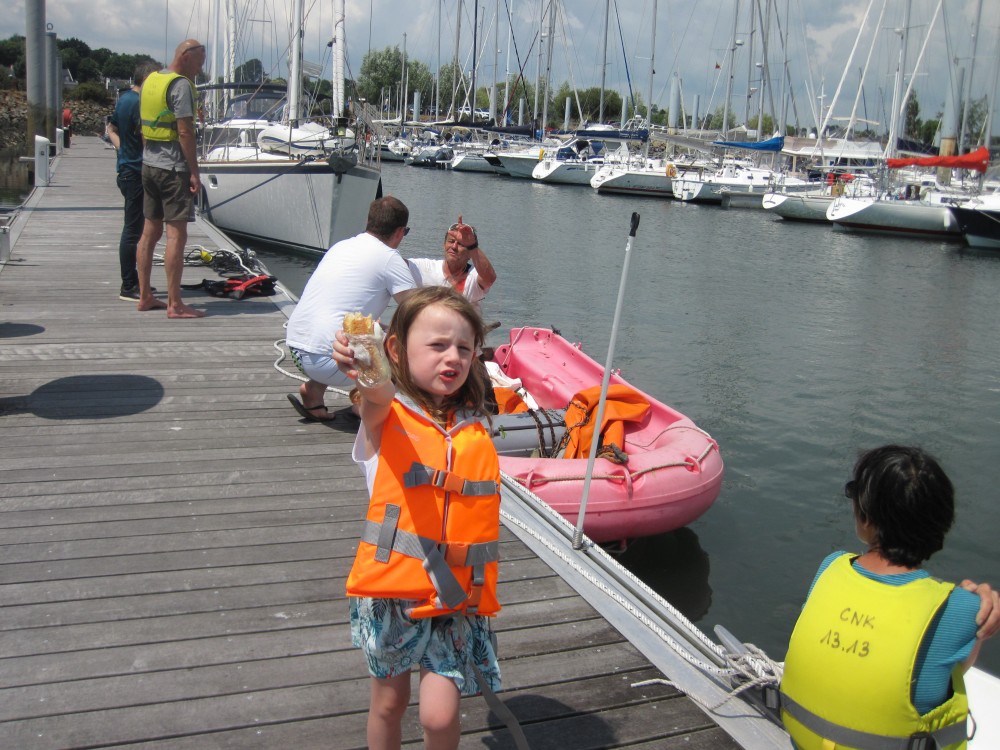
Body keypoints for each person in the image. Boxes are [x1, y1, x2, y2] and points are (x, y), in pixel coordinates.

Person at [332, 285, 502, 750]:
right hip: (393, 597)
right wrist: (363, 361)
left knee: (440, 714)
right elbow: (378, 391)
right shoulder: (381, 416)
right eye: (437, 345)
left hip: (456, 596)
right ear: (396, 348)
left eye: (464, 348)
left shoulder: (471, 422)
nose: (453, 357)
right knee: (388, 704)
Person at [780, 445, 1000, 750]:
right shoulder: (962, 608)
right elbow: (955, 669)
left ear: (867, 518)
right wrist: (978, 601)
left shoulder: (830, 568)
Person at [285, 195, 416, 421]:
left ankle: (314, 392)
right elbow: (419, 312)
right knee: (400, 347)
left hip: (296, 351)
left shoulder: (341, 246)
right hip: (331, 362)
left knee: (350, 331)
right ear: (400, 232)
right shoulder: (389, 258)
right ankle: (364, 404)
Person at [134, 39, 206, 318]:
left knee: (149, 231)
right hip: (173, 169)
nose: (200, 70)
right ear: (186, 57)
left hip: (149, 164)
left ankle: (145, 296)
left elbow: (144, 125)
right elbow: (185, 131)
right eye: (199, 62)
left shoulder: (152, 80)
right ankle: (175, 304)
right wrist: (194, 172)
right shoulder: (181, 85)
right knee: (176, 234)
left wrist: (149, 156)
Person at [108, 61, 159, 301]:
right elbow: (146, 137)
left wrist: (122, 153)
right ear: (147, 80)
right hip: (138, 173)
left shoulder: (124, 99)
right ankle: (128, 285)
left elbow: (111, 130)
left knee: (136, 228)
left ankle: (137, 281)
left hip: (125, 169)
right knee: (133, 230)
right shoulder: (141, 104)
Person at [406, 216, 497, 314]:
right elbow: (395, 263)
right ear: (444, 245)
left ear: (471, 253)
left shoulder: (474, 276)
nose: (454, 247)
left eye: (461, 244)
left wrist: (472, 245)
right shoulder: (426, 267)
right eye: (451, 241)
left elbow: (489, 279)